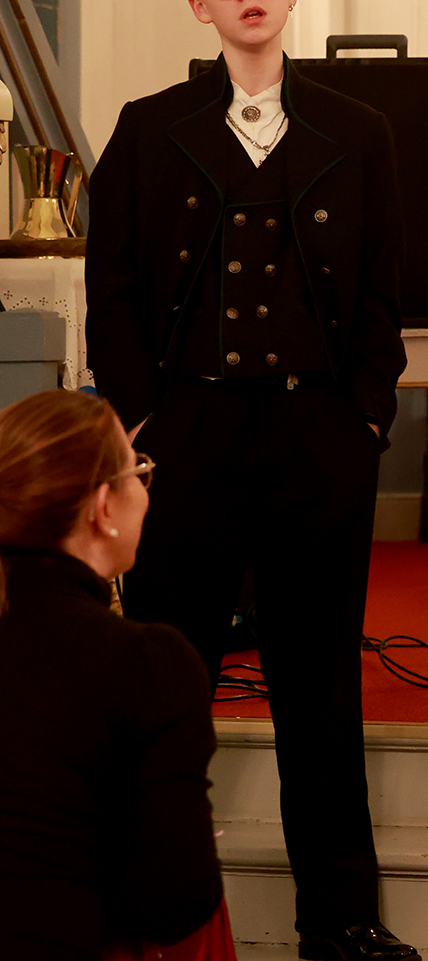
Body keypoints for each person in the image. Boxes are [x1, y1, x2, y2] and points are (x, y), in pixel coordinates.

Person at [84, 0, 413, 961]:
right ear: (197, 3)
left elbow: (381, 295)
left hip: (319, 433)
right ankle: (159, 916)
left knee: (320, 685)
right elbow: (116, 290)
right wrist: (147, 422)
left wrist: (363, 416)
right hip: (190, 437)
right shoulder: (148, 128)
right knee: (169, 676)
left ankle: (342, 921)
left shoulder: (358, 130)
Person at [0, 389, 233, 961]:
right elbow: (175, 903)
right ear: (103, 507)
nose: (145, 492)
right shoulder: (148, 662)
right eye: (139, 472)